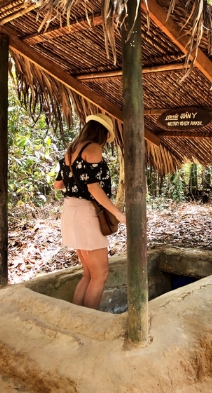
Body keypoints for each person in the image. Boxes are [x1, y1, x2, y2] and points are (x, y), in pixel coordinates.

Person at [54, 113, 126, 310]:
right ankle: (88, 320)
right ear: (102, 132)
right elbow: (94, 188)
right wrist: (118, 214)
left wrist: (75, 180)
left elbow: (58, 185)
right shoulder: (93, 148)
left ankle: (76, 318)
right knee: (100, 275)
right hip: (85, 212)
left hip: (70, 209)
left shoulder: (70, 151)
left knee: (88, 274)